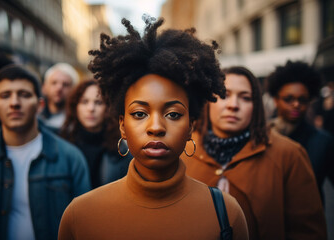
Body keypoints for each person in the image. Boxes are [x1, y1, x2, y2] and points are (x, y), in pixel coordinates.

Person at [58, 16, 249, 240]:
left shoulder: (227, 213)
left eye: (173, 114)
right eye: (140, 114)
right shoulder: (79, 216)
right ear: (122, 125)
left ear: (190, 126)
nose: (156, 127)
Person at [182, 66, 327, 240]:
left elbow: (307, 231)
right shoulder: (183, 149)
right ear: (209, 101)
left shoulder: (289, 154)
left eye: (245, 98)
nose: (233, 105)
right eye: (224, 95)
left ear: (256, 105)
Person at [0, 65, 91, 240]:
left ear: (40, 105)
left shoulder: (70, 158)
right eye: (5, 96)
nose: (14, 103)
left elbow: (84, 224)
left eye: (24, 94)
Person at [267, 61, 334, 199]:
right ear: (275, 100)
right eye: (288, 99)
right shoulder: (261, 136)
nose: (296, 104)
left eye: (303, 100)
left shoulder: (323, 141)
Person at [61, 79, 131, 189]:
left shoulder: (121, 150)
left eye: (98, 102)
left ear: (108, 108)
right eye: (84, 102)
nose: (91, 109)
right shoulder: (62, 143)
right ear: (75, 106)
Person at [39, 62, 79, 132]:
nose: (59, 88)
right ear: (44, 87)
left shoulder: (78, 121)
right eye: (54, 83)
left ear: (74, 90)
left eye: (65, 84)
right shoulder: (34, 116)